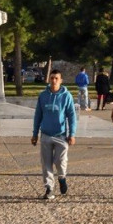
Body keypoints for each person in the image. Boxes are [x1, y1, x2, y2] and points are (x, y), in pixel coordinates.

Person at [31, 70, 78, 200]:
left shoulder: (66, 96)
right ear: (49, 79)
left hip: (61, 135)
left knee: (60, 161)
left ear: (61, 80)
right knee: (46, 163)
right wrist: (35, 134)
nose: (54, 80)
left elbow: (72, 116)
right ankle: (49, 188)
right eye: (52, 78)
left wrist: (72, 134)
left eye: (56, 78)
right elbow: (38, 116)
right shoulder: (43, 96)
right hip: (46, 134)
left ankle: (62, 178)